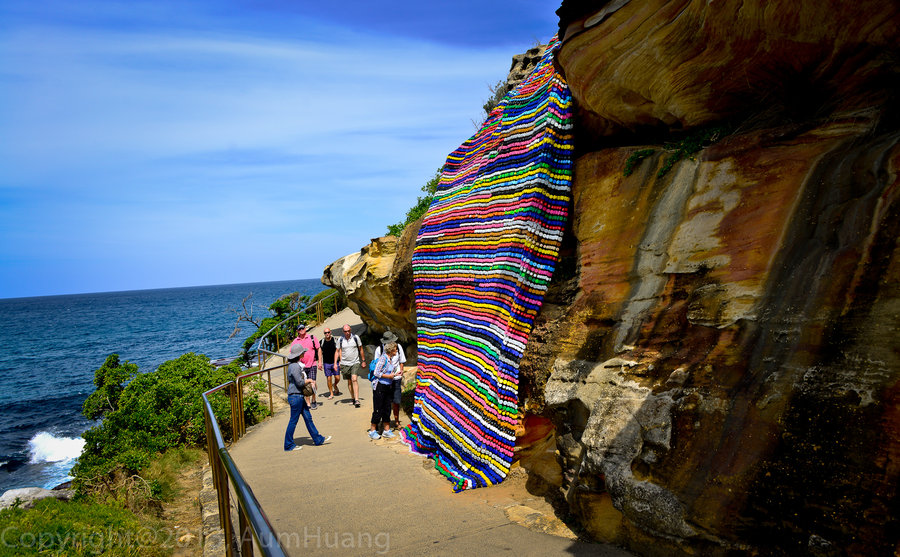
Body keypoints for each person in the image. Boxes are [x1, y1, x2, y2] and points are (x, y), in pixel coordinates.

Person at [284, 343, 330, 451]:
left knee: (308, 418)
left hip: (297, 396)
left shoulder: (292, 365)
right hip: (296, 396)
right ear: (299, 354)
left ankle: (318, 439)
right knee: (293, 421)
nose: (304, 353)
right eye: (303, 352)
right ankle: (288, 444)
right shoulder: (295, 366)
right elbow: (299, 383)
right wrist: (309, 380)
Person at [374, 330, 406, 428]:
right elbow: (376, 366)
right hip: (384, 381)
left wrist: (400, 371)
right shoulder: (379, 350)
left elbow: (402, 361)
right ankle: (382, 422)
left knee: (396, 400)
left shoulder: (398, 348)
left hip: (396, 378)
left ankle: (396, 421)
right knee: (384, 402)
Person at [368, 341, 398, 440]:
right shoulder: (383, 358)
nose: (396, 351)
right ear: (391, 350)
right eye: (395, 349)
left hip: (388, 386)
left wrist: (395, 375)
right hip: (380, 387)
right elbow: (377, 372)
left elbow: (389, 372)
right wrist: (389, 376)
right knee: (378, 409)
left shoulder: (390, 360)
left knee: (387, 408)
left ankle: (386, 430)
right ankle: (372, 431)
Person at [291, 323, 322, 409]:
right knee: (305, 385)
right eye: (300, 329)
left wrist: (320, 362)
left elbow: (319, 349)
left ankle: (314, 400)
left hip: (312, 364)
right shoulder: (295, 341)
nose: (302, 330)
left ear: (305, 329)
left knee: (313, 383)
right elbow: (292, 353)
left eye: (303, 328)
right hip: (301, 367)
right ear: (297, 331)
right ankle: (308, 402)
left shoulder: (312, 338)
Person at [337, 324, 366, 408]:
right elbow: (338, 351)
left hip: (355, 362)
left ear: (351, 330)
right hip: (345, 363)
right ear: (343, 331)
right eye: (345, 331)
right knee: (349, 381)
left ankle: (357, 399)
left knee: (354, 379)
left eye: (348, 331)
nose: (347, 333)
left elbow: (361, 349)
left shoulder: (356, 338)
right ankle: (353, 398)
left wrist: (363, 360)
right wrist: (338, 361)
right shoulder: (341, 339)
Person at [319, 327, 341, 399]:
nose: (327, 334)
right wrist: (320, 362)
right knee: (329, 379)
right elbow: (320, 352)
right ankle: (331, 393)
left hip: (335, 362)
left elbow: (339, 350)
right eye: (325, 333)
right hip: (326, 363)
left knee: (337, 377)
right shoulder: (321, 342)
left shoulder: (335, 340)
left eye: (328, 332)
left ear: (330, 332)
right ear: (324, 334)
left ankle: (335, 385)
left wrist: (341, 360)